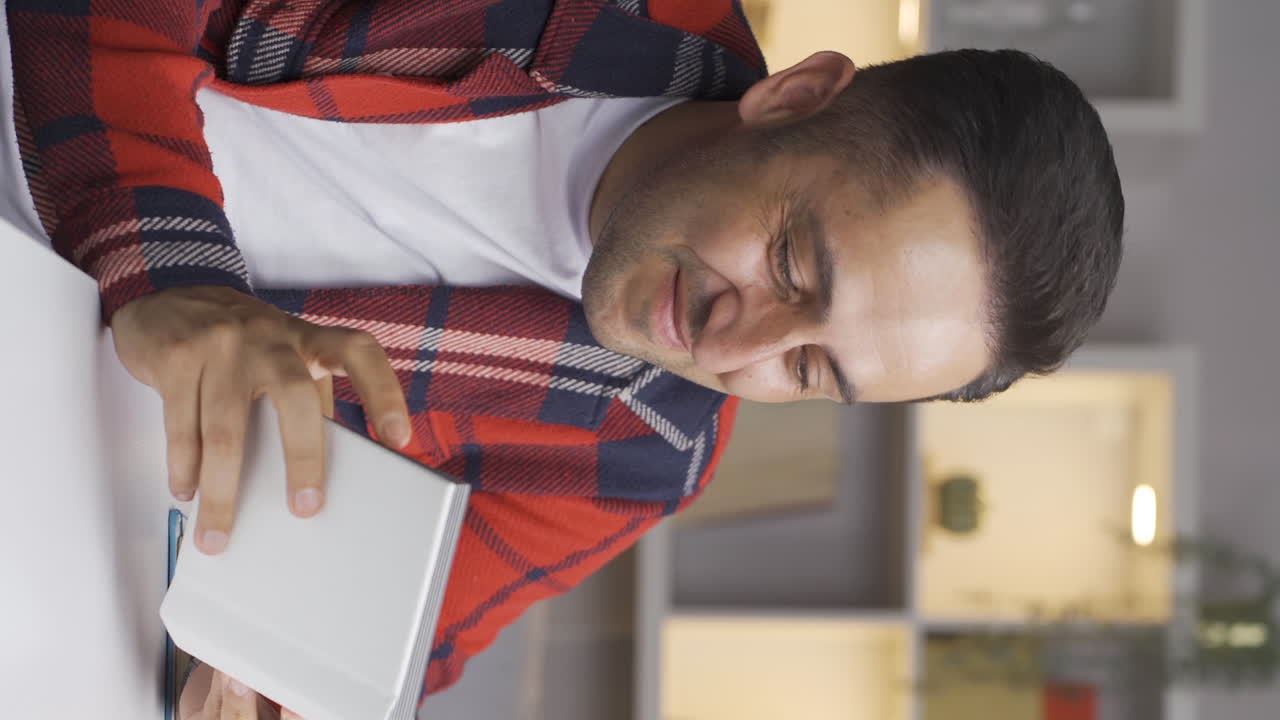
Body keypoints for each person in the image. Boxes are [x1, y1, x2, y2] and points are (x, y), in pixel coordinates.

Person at [5, 0, 1123, 714]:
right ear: (794, 100)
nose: (742, 344)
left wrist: (271, 693)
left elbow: (379, 644)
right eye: (794, 263)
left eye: (813, 371)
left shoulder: (647, 449)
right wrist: (172, 274)